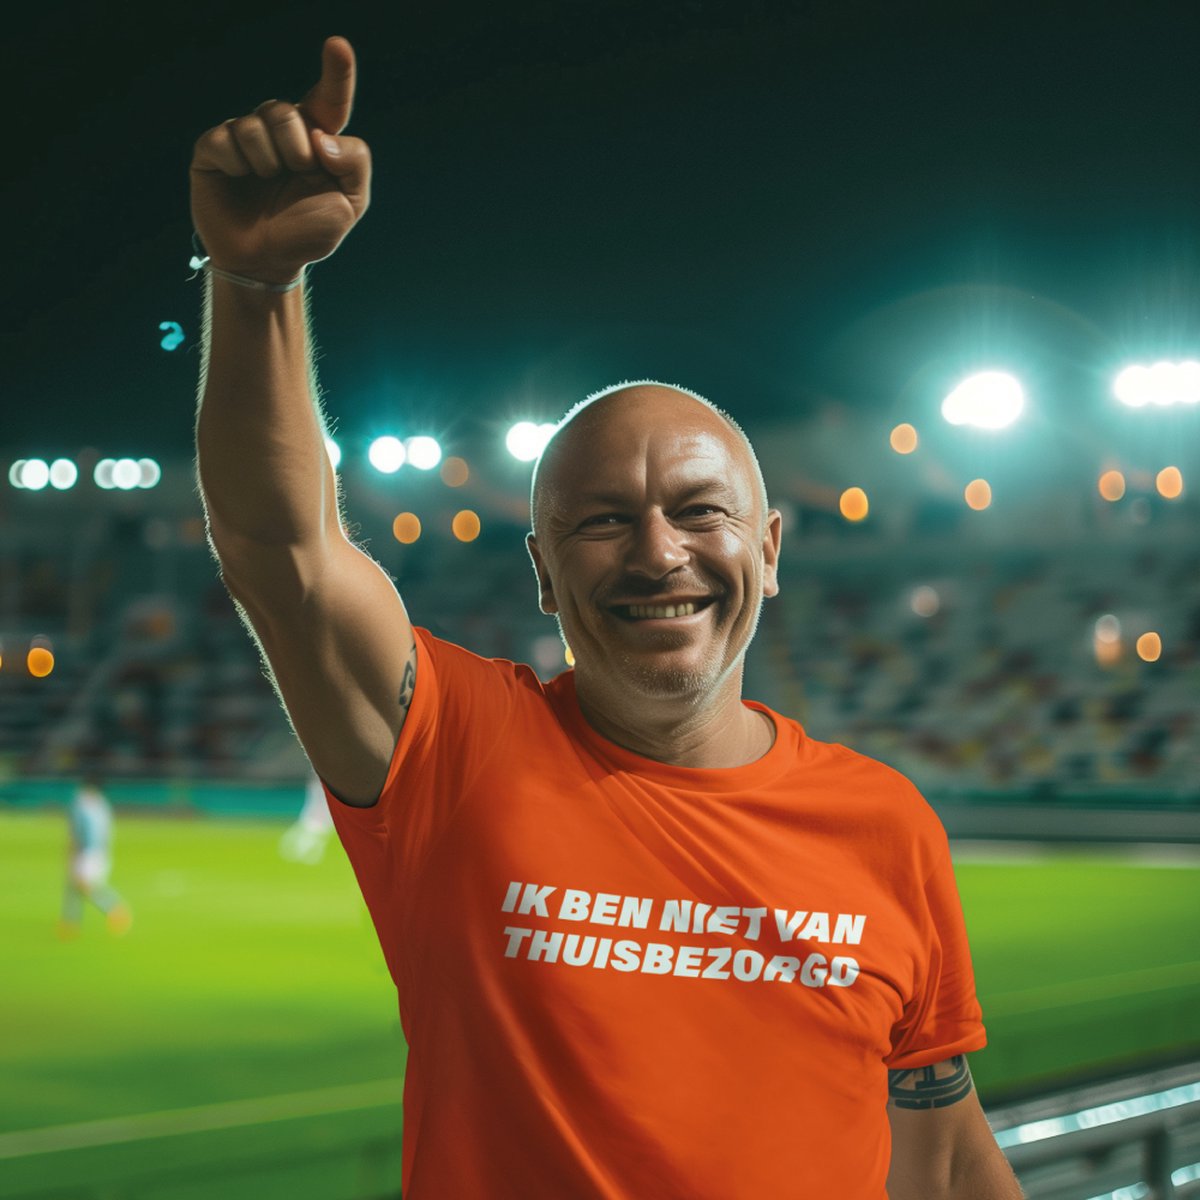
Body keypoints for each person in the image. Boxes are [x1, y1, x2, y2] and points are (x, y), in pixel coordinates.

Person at [192, 37, 1024, 1199]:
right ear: (541, 573)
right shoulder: (455, 754)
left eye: (699, 513)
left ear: (769, 550)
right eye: (601, 523)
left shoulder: (887, 827)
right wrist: (256, 287)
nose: (657, 555)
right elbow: (282, 555)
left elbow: (936, 1151)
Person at [60, 772, 132, 938]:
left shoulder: (81, 802)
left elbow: (78, 830)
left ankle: (114, 908)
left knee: (82, 885)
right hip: (99, 850)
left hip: (87, 851)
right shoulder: (102, 804)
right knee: (74, 884)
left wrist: (72, 850)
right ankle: (70, 922)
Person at [278, 768, 335, 864]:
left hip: (319, 817)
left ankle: (309, 855)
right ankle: (305, 854)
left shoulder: (321, 789)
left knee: (313, 837)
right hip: (315, 816)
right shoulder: (317, 789)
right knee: (310, 836)